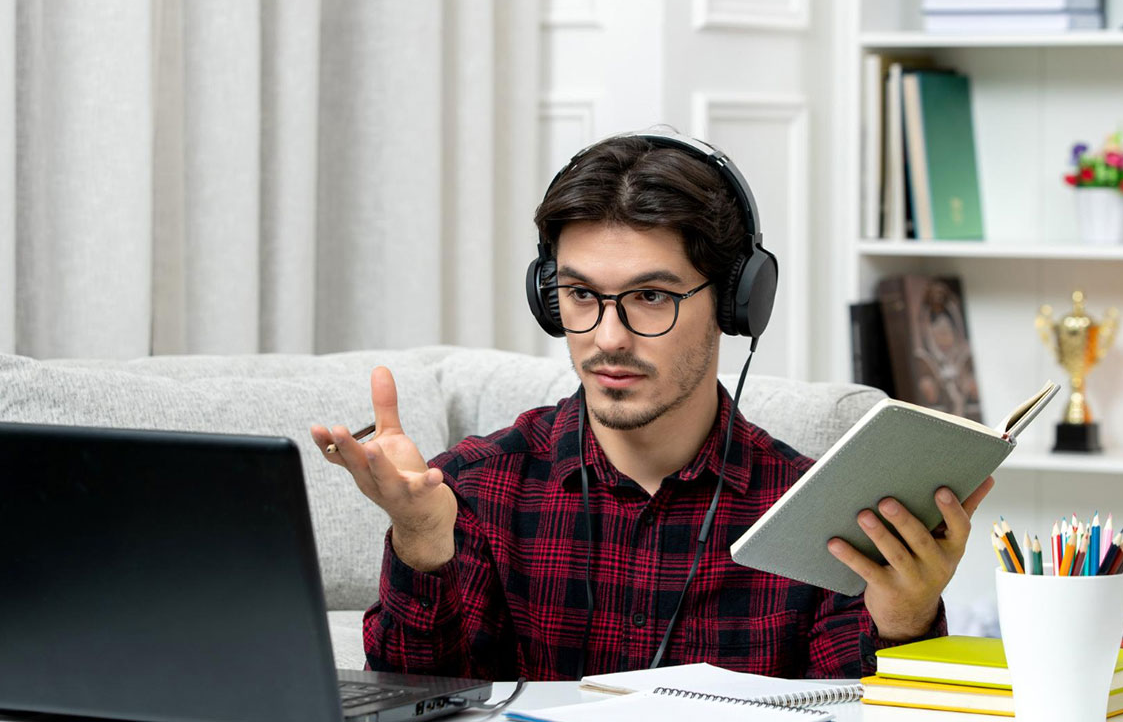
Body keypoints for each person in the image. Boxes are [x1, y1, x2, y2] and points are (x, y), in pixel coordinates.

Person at [310, 130, 993, 681]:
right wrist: (423, 548)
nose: (608, 338)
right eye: (581, 295)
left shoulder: (822, 518)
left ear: (735, 302)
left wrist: (904, 619)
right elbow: (417, 702)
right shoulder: (474, 490)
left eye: (651, 297)